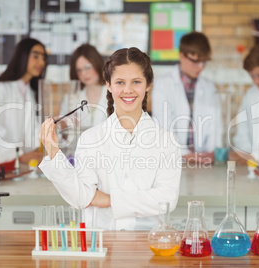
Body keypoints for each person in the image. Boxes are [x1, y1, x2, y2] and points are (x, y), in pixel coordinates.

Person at [39, 47, 181, 230]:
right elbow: (81, 198)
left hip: (148, 246)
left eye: (136, 82)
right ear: (108, 84)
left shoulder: (166, 141)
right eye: (120, 82)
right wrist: (52, 151)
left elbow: (166, 199)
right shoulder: (90, 139)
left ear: (148, 85)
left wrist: (107, 200)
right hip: (100, 244)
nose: (128, 90)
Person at [151, 31, 222, 164]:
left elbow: (215, 126)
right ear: (182, 56)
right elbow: (164, 127)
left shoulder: (209, 87)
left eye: (204, 62)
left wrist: (212, 152)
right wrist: (185, 154)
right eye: (195, 61)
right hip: (173, 160)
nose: (200, 67)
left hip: (204, 163)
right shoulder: (163, 85)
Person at [0, 38, 48, 164]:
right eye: (36, 56)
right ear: (22, 56)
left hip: (21, 165)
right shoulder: (0, 89)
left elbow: (32, 129)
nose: (41, 62)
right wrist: (19, 156)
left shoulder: (30, 91)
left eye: (43, 58)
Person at [62, 44, 108, 129]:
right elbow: (62, 132)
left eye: (88, 67)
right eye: (79, 70)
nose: (84, 74)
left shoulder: (114, 94)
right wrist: (67, 125)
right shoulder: (71, 98)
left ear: (97, 63)